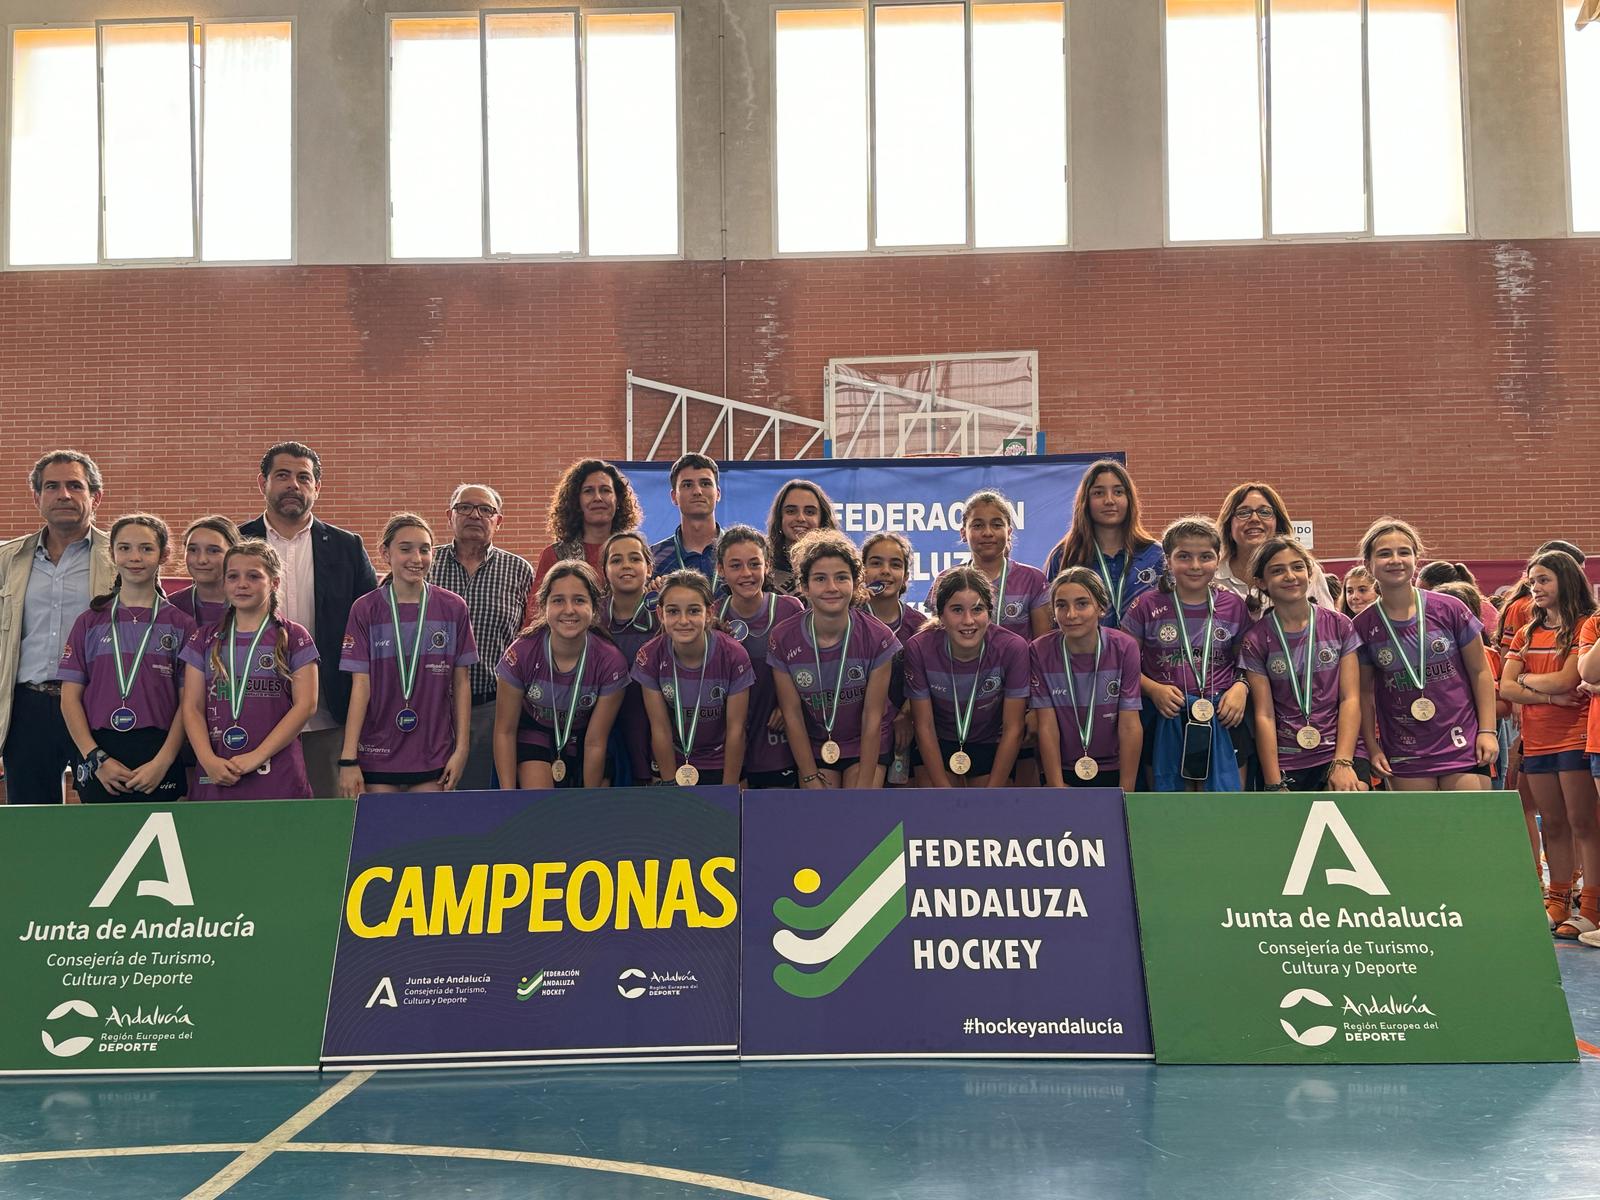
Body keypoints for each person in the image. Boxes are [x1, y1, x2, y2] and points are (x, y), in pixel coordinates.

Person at [240, 442, 376, 797]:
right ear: (262, 483)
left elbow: (370, 626)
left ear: (317, 487)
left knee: (327, 825)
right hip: (249, 711)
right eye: (282, 476)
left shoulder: (347, 547)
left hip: (327, 717)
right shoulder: (236, 542)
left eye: (304, 477)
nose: (293, 485)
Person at [0, 450, 115, 803]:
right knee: (30, 816)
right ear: (37, 497)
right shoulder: (8, 558)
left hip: (96, 704)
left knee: (102, 811)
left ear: (95, 497)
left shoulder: (120, 556)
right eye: (52, 486)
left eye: (74, 486)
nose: (63, 495)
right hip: (27, 707)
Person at [57, 513, 195, 802]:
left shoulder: (181, 625)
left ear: (164, 555)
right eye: (125, 548)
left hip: (160, 750)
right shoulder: (89, 622)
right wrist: (95, 758)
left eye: (146, 548)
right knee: (102, 842)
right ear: (112, 554)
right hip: (100, 750)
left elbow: (189, 703)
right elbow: (69, 698)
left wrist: (163, 761)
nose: (135, 557)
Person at [338, 514, 478, 796]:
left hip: (433, 751)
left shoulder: (453, 608)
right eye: (405, 549)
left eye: (424, 549)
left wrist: (461, 750)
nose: (417, 557)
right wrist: (348, 758)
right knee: (383, 836)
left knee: (429, 837)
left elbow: (461, 683)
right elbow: (361, 687)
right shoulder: (365, 610)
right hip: (378, 749)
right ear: (385, 553)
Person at [1353, 518, 1497, 792]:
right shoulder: (1362, 626)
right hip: (1405, 751)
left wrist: (1487, 731)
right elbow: (1364, 694)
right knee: (1419, 833)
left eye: (1404, 552)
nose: (1395, 560)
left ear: (1416, 559)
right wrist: (1372, 748)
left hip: (1463, 743)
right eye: (1384, 553)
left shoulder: (1450, 609)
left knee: (1467, 830)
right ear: (1368, 564)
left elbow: (1480, 672)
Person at [1499, 551, 1597, 935]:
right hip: (1537, 741)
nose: (1535, 588)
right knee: (1553, 823)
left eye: (1543, 580)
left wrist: (1531, 684)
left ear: (1566, 581)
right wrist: (1548, 696)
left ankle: (1590, 905)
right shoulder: (1526, 632)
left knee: (1583, 822)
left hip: (1575, 737)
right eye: (1532, 580)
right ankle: (1556, 901)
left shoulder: (1585, 626)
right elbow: (1507, 688)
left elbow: (1566, 680)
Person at [179, 540, 320, 800]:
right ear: (224, 583)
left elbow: (306, 706)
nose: (242, 584)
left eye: (254, 576)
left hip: (278, 772)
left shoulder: (294, 636)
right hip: (218, 771)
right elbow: (192, 707)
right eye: (233, 576)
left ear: (274, 582)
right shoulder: (203, 638)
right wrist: (208, 760)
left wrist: (257, 756)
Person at [1124, 517, 1250, 792]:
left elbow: (1247, 661)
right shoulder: (1145, 606)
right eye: (1184, 557)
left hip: (1223, 716)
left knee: (1227, 810)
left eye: (1205, 556)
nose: (1195, 565)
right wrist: (1154, 689)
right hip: (1165, 716)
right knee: (1172, 809)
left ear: (1218, 560)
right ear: (1167, 560)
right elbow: (1124, 667)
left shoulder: (1233, 606)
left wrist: (1241, 686)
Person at [770, 530, 899, 790]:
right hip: (816, 745)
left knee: (858, 816)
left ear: (855, 583)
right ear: (804, 586)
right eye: (820, 579)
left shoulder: (878, 637)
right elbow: (792, 714)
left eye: (841, 578)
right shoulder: (784, 637)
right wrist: (808, 775)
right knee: (823, 817)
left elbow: (872, 717)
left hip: (866, 743)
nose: (831, 588)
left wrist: (863, 785)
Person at [430, 483, 535, 790]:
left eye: (485, 509)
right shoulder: (426, 565)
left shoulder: (519, 571)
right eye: (464, 507)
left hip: (493, 710)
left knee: (482, 801)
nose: (474, 515)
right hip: (430, 710)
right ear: (450, 516)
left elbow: (527, 640)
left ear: (498, 520)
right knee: (432, 800)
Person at [1240, 536, 1364, 792]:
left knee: (1357, 795)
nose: (1290, 576)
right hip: (1287, 758)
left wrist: (1342, 762)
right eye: (1277, 570)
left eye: (1297, 567)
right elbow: (1264, 713)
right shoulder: (1256, 639)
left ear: (1309, 573)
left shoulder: (1340, 625)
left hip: (1339, 750)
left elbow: (1350, 698)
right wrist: (1274, 781)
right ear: (1262, 582)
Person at [493, 562, 628, 790]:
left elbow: (595, 742)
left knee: (594, 805)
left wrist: (590, 802)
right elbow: (505, 731)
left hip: (586, 737)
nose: (569, 610)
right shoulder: (521, 654)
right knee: (541, 804)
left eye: (579, 600)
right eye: (558, 600)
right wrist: (508, 795)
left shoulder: (610, 661)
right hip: (535, 732)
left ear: (594, 608)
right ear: (544, 606)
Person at [904, 567, 1029, 789]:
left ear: (989, 613)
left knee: (987, 815)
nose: (968, 620)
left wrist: (992, 791)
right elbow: (924, 726)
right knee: (941, 813)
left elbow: (1014, 727)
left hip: (990, 742)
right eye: (957, 610)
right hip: (938, 742)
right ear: (941, 615)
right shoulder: (919, 647)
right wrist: (945, 790)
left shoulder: (1013, 648)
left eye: (978, 609)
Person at [632, 570, 754, 786]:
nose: (683, 621)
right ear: (661, 615)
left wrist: (729, 789)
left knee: (725, 818)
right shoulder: (649, 656)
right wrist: (670, 783)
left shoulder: (733, 654)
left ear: (709, 613)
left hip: (720, 759)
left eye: (694, 611)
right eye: (673, 611)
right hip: (671, 758)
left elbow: (736, 729)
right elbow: (659, 727)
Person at [1030, 567, 1143, 790]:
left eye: (1082, 604)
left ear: (1101, 607)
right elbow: (1047, 725)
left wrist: (1126, 791)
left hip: (1114, 768)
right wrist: (1056, 785)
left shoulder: (1124, 647)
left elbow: (1130, 725)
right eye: (1061, 605)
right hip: (1062, 770)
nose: (1071, 615)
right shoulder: (1040, 650)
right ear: (1053, 611)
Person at [716, 526, 804, 788]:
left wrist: (789, 703)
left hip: (778, 738)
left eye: (754, 564)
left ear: (767, 566)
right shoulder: (712, 616)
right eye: (735, 565)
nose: (746, 574)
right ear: (721, 570)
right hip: (729, 741)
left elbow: (808, 667)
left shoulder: (790, 608)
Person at [1043, 460, 1164, 629]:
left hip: (1145, 654)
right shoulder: (1066, 556)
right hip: (1084, 654)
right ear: (1085, 501)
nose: (1109, 500)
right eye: (1099, 493)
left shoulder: (1155, 555)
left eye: (1118, 492)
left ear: (1129, 499)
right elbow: (1052, 621)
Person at [862, 531, 927, 783]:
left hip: (907, 730)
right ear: (862, 571)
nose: (885, 571)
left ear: (906, 577)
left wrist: (908, 713)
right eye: (876, 563)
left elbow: (925, 679)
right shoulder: (848, 619)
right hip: (860, 730)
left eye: (895, 564)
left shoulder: (920, 625)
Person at [600, 530, 661, 786]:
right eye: (616, 560)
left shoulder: (665, 616)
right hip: (605, 733)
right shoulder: (591, 616)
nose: (625, 565)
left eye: (634, 559)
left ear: (649, 568)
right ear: (604, 571)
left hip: (656, 731)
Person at [1213, 482, 1334, 609]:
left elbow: (1328, 624)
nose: (1254, 518)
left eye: (1265, 512)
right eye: (1243, 512)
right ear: (1228, 524)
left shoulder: (1306, 572)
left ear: (1278, 523)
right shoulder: (1213, 576)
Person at [532, 459, 642, 593]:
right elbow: (536, 611)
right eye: (588, 491)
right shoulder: (554, 556)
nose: (598, 498)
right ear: (576, 501)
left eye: (605, 490)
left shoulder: (638, 553)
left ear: (618, 499)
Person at [650, 453, 721, 583]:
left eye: (705, 483)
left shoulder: (739, 551)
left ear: (718, 494)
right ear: (674, 496)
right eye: (687, 485)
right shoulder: (654, 557)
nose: (697, 491)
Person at [766, 479, 838, 595]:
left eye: (809, 512)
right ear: (780, 518)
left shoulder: (841, 564)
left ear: (822, 519)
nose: (800, 518)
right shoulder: (764, 566)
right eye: (791, 511)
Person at [169, 516, 241, 628]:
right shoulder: (170, 606)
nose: (201, 560)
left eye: (213, 551)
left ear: (234, 554)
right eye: (193, 550)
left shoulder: (252, 605)